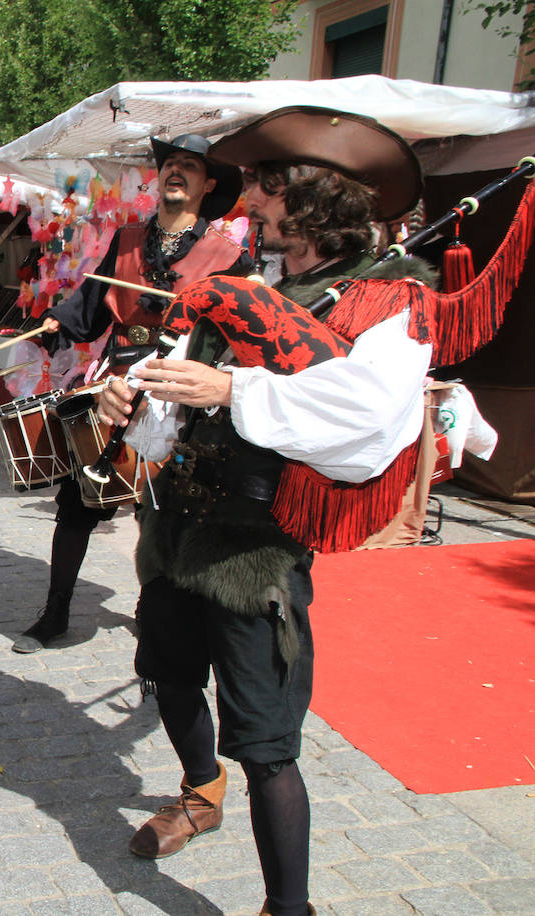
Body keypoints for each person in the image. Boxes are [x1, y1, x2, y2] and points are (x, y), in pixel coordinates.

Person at [99, 108, 431, 916]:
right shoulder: (255, 283)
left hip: (258, 550)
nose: (244, 194)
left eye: (260, 182)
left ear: (307, 194)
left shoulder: (391, 295)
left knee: (270, 749)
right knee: (165, 674)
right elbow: (178, 389)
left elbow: (369, 419)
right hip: (176, 528)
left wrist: (236, 388)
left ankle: (290, 910)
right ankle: (199, 790)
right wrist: (130, 396)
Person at [12, 134, 249, 654]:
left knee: (161, 512)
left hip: (183, 393)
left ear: (208, 184)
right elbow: (91, 304)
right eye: (169, 165)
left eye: (189, 166)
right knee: (77, 503)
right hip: (114, 390)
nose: (176, 172)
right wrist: (58, 321)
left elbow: (242, 330)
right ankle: (55, 613)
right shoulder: (126, 241)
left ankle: (154, 612)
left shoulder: (230, 254)